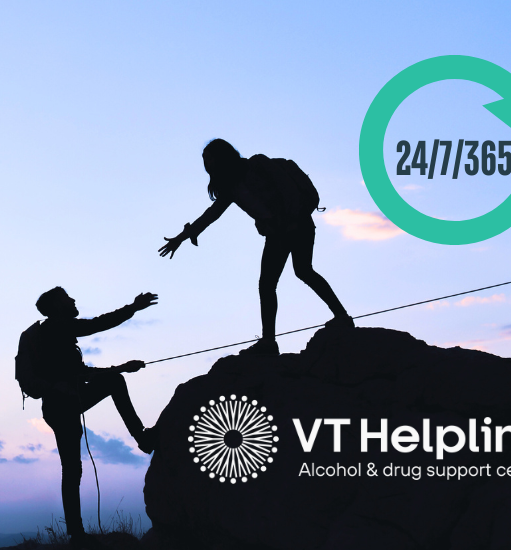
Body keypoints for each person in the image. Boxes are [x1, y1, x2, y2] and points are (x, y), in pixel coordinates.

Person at [158, 139, 353, 355]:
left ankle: (283, 337)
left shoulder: (257, 164)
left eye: (210, 158)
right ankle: (276, 339)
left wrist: (291, 219)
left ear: (222, 156)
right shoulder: (231, 189)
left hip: (295, 225)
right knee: (287, 277)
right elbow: (211, 215)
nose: (207, 164)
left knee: (290, 276)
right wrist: (182, 237)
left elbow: (286, 188)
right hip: (281, 231)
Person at [27, 287, 157, 544]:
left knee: (72, 469)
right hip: (62, 406)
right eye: (67, 298)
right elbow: (99, 324)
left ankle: (76, 533)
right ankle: (141, 437)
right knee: (72, 469)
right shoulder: (58, 328)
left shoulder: (53, 334)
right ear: (56, 307)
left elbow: (80, 372)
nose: (73, 300)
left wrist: (120, 368)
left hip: (62, 405)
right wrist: (132, 308)